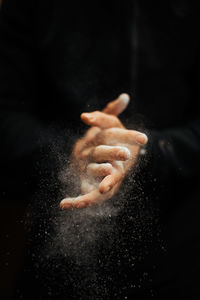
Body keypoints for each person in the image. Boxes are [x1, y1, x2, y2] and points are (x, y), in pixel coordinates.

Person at [1, 0, 200, 298]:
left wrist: (151, 150)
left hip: (180, 243)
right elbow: (6, 108)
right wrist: (71, 152)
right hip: (55, 244)